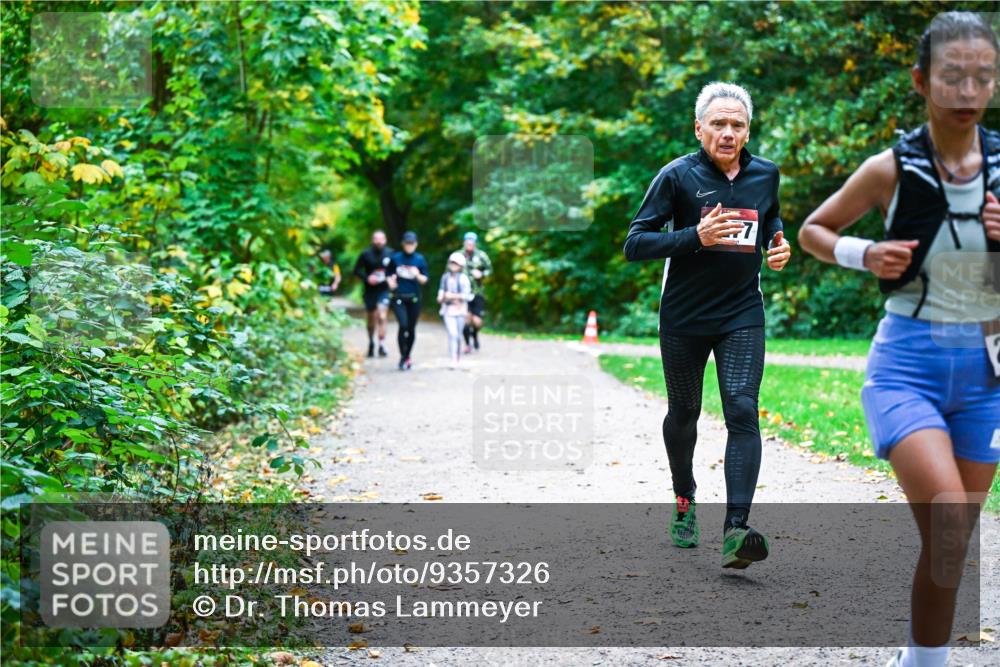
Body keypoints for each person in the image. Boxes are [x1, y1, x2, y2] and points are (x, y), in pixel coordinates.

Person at [797, 12, 999, 667]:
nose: (967, 91)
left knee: (951, 543)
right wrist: (865, 252)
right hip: (906, 366)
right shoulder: (891, 167)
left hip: (988, 370)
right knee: (946, 522)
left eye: (982, 77)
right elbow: (813, 230)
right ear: (921, 80)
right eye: (952, 76)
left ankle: (920, 660)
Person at [623, 81, 792, 568]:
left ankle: (736, 529)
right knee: (684, 414)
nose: (727, 132)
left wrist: (777, 243)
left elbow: (771, 217)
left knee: (742, 408)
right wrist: (694, 236)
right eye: (717, 123)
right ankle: (684, 497)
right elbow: (636, 244)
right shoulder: (677, 177)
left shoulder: (766, 174)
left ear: (747, 130)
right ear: (699, 129)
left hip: (742, 311)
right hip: (684, 316)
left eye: (737, 124)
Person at [390, 231, 429, 371]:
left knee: (411, 328)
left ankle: (407, 356)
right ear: (403, 244)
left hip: (414, 298)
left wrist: (417, 274)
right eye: (407, 243)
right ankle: (402, 356)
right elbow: (389, 275)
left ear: (416, 244)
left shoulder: (419, 259)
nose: (409, 246)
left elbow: (425, 280)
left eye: (412, 243)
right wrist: (391, 282)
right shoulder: (395, 258)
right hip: (399, 297)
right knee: (403, 325)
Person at [352, 230, 393, 358]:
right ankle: (371, 342)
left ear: (385, 240)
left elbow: (395, 269)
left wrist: (391, 279)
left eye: (381, 239)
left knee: (382, 315)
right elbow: (356, 270)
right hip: (370, 291)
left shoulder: (391, 253)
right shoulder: (365, 254)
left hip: (384, 290)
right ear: (372, 240)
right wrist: (367, 278)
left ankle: (382, 344)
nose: (379, 241)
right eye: (376, 239)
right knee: (371, 319)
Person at [457, 231, 492, 353]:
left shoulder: (481, 255)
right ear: (464, 242)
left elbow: (490, 270)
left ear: (475, 243)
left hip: (477, 292)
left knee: (477, 321)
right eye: (467, 242)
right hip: (461, 294)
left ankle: (475, 335)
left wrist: (482, 274)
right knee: (466, 319)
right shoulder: (457, 256)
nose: (469, 244)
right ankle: (467, 344)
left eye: (472, 242)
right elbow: (449, 271)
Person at [437, 252, 474, 368]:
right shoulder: (445, 277)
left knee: (457, 335)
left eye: (456, 264)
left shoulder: (464, 279)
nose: (454, 265)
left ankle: (457, 357)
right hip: (448, 310)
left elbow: (467, 296)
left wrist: (452, 296)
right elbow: (441, 291)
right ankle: (453, 358)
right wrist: (441, 297)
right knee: (452, 334)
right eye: (452, 263)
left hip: (461, 310)